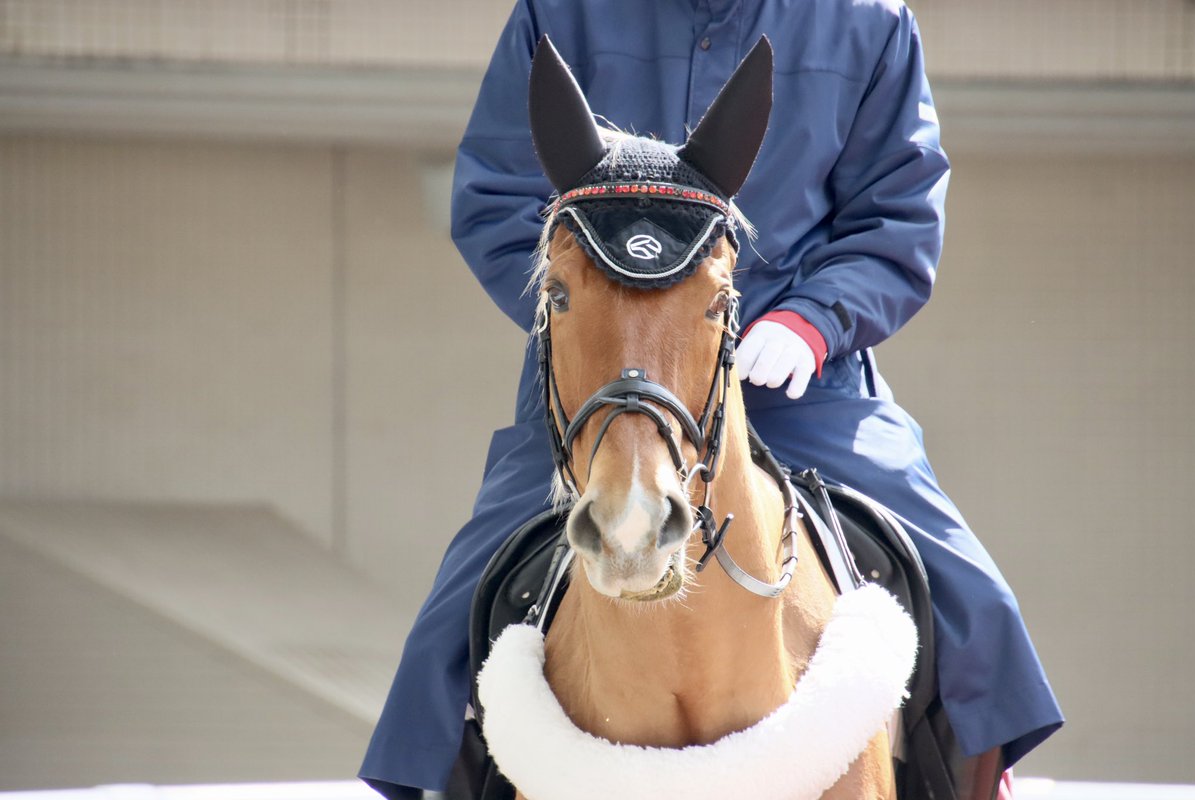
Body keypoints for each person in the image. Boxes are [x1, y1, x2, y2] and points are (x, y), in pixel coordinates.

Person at [361, 1, 1064, 797]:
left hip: (800, 380)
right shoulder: (557, 12)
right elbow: (496, 196)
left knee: (975, 606)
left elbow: (896, 215)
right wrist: (608, 322)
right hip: (609, 387)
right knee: (448, 636)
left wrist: (811, 323)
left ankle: (976, 778)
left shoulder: (869, 21)